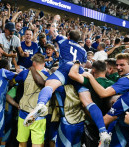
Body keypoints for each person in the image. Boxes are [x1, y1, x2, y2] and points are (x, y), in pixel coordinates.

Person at [25, 15, 111, 146]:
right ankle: (103, 132)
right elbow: (83, 64)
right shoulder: (83, 50)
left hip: (66, 68)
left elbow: (52, 32)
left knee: (49, 85)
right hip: (78, 72)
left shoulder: (64, 40)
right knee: (88, 102)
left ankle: (41, 105)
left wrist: (55, 20)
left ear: (69, 37)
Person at [69, 60, 114, 146]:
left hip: (92, 122)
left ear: (93, 70)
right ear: (106, 70)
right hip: (108, 121)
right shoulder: (112, 84)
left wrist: (77, 63)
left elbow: (72, 74)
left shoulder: (90, 81)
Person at [14, 53, 50, 147]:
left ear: (33, 63)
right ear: (44, 64)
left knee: (22, 143)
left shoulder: (25, 73)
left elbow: (16, 80)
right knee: (37, 144)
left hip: (24, 112)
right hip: (38, 114)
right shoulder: (48, 75)